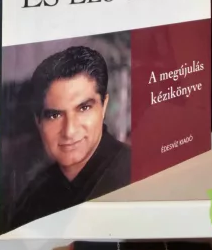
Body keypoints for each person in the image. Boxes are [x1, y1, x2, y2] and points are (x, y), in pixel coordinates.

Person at [11, 46, 131, 227]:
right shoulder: (34, 195)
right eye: (55, 115)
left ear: (104, 106)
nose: (69, 131)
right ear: (38, 121)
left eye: (84, 108)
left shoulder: (131, 175)